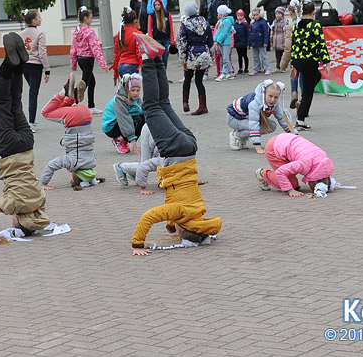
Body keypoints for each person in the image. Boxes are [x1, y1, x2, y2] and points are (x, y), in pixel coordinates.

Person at [130, 33, 222, 256]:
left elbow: (174, 211)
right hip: (175, 151)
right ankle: (148, 59)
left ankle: (158, 60)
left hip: (190, 147)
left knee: (163, 103)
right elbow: (148, 217)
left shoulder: (196, 210)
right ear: (183, 227)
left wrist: (172, 227)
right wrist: (137, 245)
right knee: (151, 107)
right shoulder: (180, 211)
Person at [0, 33, 52, 244]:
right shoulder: (14, 204)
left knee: (15, 102)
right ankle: (7, 63)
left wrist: (46, 223)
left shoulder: (39, 199)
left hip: (27, 143)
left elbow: (43, 214)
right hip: (9, 148)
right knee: (1, 102)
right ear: (19, 219)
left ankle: (19, 65)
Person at [39, 73, 104, 191]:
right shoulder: (72, 162)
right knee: (46, 113)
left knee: (58, 110)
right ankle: (65, 92)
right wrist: (44, 183)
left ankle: (73, 96)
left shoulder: (92, 161)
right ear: (75, 175)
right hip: (76, 118)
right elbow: (51, 165)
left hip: (86, 115)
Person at [290, 0, 330, 130]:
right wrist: (326, 62)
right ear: (314, 12)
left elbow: (294, 46)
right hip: (309, 61)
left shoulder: (296, 25)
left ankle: (302, 105)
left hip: (299, 60)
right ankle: (300, 120)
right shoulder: (315, 25)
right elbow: (321, 43)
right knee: (308, 92)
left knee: (315, 78)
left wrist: (293, 66)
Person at [254, 133, 334, 197]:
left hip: (285, 140)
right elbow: (280, 172)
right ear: (315, 181)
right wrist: (290, 189)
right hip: (274, 149)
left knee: (292, 173)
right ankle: (262, 173)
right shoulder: (304, 164)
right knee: (292, 184)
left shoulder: (321, 160)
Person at [226, 80, 293, 152]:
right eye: (270, 96)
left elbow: (282, 119)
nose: (273, 100)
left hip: (245, 118)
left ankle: (243, 137)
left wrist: (294, 136)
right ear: (264, 94)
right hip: (233, 118)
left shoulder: (275, 104)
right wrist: (258, 148)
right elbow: (254, 124)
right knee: (258, 127)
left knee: (271, 126)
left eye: (276, 97)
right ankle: (236, 135)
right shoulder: (255, 103)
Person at [176, 1, 213, 115]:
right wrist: (210, 53)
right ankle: (203, 106)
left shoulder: (185, 24)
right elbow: (210, 40)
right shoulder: (205, 22)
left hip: (191, 54)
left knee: (187, 78)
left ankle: (185, 103)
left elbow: (182, 44)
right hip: (203, 52)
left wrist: (182, 60)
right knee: (199, 81)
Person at [70, 6, 108, 114]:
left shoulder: (76, 32)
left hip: (80, 59)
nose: (91, 20)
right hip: (88, 60)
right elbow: (95, 48)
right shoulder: (90, 32)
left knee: (92, 82)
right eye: (90, 18)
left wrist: (73, 64)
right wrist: (103, 64)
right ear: (85, 18)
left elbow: (73, 49)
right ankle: (72, 101)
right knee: (84, 82)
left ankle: (91, 105)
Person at [19, 9, 50, 132]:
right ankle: (31, 121)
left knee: (32, 90)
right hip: (36, 66)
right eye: (39, 17)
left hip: (24, 65)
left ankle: (32, 117)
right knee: (33, 93)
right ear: (34, 20)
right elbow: (42, 53)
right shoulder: (40, 33)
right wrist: (47, 69)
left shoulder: (21, 33)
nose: (41, 19)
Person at [102, 72, 144, 154]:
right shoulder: (119, 100)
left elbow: (142, 110)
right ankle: (119, 139)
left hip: (121, 123)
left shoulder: (134, 98)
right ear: (126, 89)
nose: (136, 93)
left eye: (138, 90)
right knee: (137, 119)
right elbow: (124, 118)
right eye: (132, 90)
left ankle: (126, 139)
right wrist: (132, 139)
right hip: (111, 127)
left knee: (144, 118)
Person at [280, 0, 303, 107]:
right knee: (303, 76)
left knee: (294, 74)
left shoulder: (291, 27)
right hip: (305, 56)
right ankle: (303, 99)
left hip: (294, 57)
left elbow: (288, 48)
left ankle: (294, 93)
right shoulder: (305, 24)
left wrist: (283, 64)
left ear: (290, 12)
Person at [112, 7, 141, 79]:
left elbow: (116, 55)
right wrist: (142, 65)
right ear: (134, 21)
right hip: (132, 65)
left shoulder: (119, 35)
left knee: (125, 89)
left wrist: (115, 73)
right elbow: (139, 53)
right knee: (133, 89)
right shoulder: (137, 34)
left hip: (121, 66)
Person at [147, 0, 175, 68]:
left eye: (158, 5)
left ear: (161, 5)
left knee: (165, 58)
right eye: (155, 5)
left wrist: (172, 39)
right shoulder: (152, 16)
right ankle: (159, 73)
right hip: (157, 40)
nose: (157, 6)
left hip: (166, 39)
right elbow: (149, 29)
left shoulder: (167, 15)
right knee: (158, 58)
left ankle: (164, 73)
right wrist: (151, 41)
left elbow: (171, 27)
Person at [213, 5, 235, 81]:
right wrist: (215, 40)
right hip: (221, 43)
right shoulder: (220, 21)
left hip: (226, 42)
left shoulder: (227, 22)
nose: (217, 14)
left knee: (225, 59)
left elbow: (224, 33)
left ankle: (224, 73)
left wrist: (218, 41)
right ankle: (230, 72)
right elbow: (218, 32)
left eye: (218, 13)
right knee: (224, 58)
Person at [248, 8, 271, 75]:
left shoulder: (263, 22)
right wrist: (249, 43)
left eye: (257, 15)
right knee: (255, 56)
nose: (255, 16)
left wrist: (266, 42)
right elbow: (250, 33)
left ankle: (267, 68)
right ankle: (256, 68)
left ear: (260, 14)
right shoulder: (252, 23)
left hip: (261, 42)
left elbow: (266, 33)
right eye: (254, 15)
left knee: (264, 56)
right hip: (254, 42)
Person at [232, 9, 250, 75]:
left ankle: (246, 68)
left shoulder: (245, 24)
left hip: (244, 42)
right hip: (237, 43)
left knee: (244, 55)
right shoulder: (235, 24)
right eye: (238, 16)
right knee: (239, 56)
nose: (240, 17)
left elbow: (248, 34)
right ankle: (240, 68)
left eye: (241, 16)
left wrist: (248, 43)